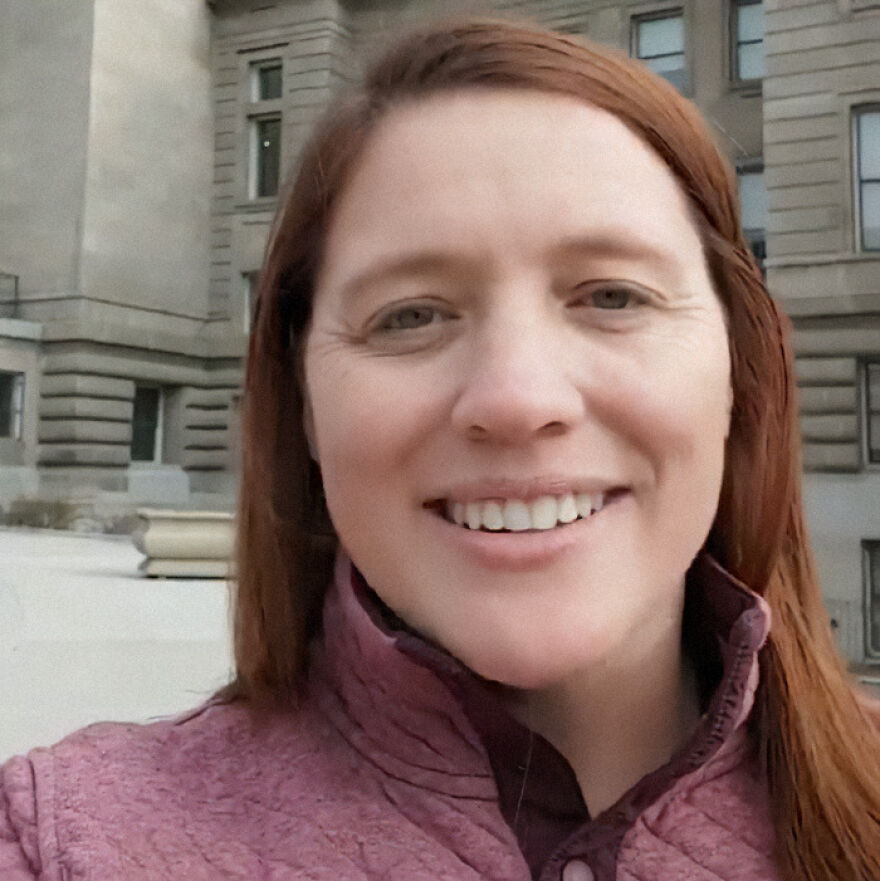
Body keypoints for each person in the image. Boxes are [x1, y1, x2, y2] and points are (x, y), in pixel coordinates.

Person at [2, 17, 879, 881]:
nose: (517, 397)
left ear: (739, 370)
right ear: (301, 400)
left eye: (613, 295)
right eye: (411, 315)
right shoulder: (56, 842)